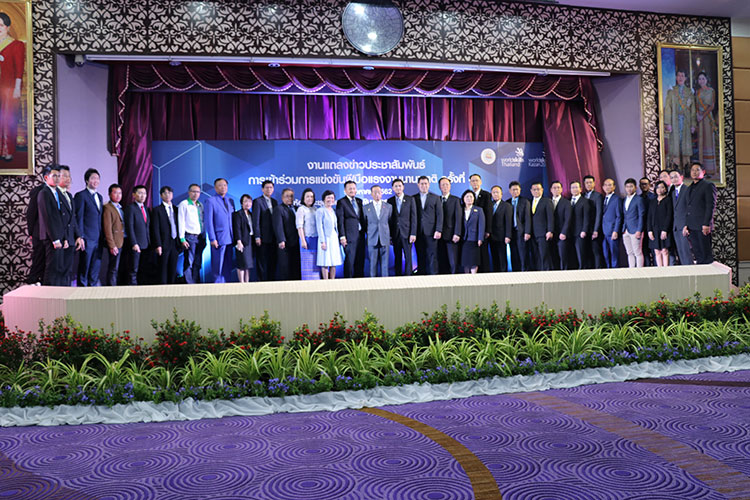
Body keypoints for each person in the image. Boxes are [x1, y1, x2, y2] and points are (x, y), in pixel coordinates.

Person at [0, 13, 25, 163]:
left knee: (7, 120)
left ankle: (7, 151)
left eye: (1, 25)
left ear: (8, 27)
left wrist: (17, 88)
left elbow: (19, 68)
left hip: (9, 88)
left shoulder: (16, 45)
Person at [73, 169, 104, 286]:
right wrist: (80, 236)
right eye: (93, 178)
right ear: (87, 180)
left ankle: (93, 289)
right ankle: (82, 290)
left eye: (97, 178)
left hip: (98, 238)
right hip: (87, 238)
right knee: (84, 266)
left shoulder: (100, 197)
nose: (96, 181)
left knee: (95, 267)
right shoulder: (81, 195)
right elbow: (79, 217)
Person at [36, 166, 65, 286]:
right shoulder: (44, 193)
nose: (57, 178)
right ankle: (47, 292)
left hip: (59, 236)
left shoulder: (57, 192)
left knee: (58, 268)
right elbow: (47, 217)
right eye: (54, 176)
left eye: (59, 176)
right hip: (51, 237)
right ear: (46, 177)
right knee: (51, 268)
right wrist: (55, 239)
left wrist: (64, 238)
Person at [683, 162, 717, 264]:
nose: (694, 172)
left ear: (703, 172)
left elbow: (710, 206)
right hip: (691, 226)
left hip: (702, 226)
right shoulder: (689, 187)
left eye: (697, 170)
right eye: (692, 170)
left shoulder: (708, 185)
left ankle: (708, 273)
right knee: (697, 254)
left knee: (705, 254)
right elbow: (688, 208)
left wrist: (706, 224)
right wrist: (686, 224)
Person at [664, 69, 696, 170]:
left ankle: (686, 166)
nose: (680, 77)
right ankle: (676, 165)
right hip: (675, 121)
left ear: (685, 78)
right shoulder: (671, 91)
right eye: (679, 75)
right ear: (676, 77)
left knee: (686, 143)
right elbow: (668, 107)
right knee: (675, 143)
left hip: (686, 121)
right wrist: (668, 123)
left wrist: (693, 124)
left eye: (682, 76)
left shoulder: (689, 92)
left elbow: (693, 110)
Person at [58, 165, 84, 285]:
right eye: (65, 176)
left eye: (69, 176)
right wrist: (63, 238)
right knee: (59, 272)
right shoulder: (54, 194)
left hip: (71, 239)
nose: (68, 178)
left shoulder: (69, 196)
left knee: (68, 271)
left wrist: (78, 236)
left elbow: (73, 219)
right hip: (60, 240)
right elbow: (57, 220)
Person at [204, 178, 234, 283]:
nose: (223, 187)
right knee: (218, 266)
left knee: (228, 266)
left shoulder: (230, 201)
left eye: (225, 185)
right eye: (220, 185)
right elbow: (209, 221)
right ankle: (217, 287)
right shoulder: (210, 201)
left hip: (230, 238)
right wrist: (212, 238)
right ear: (215, 188)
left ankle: (227, 286)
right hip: (218, 238)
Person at [151, 186, 181, 284]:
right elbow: (155, 229)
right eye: (165, 193)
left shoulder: (176, 209)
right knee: (163, 268)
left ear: (172, 195)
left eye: (169, 193)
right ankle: (162, 288)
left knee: (173, 267)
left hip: (175, 243)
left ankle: (172, 288)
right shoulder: (157, 210)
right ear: (161, 195)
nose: (167, 195)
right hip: (163, 243)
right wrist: (158, 245)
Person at [337, 181, 367, 278]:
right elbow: (340, 220)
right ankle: (347, 282)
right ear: (345, 190)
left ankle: (359, 282)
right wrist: (342, 236)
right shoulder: (341, 202)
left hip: (360, 236)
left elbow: (362, 218)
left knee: (360, 261)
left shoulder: (359, 201)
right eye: (350, 189)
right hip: (349, 237)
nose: (352, 190)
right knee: (350, 261)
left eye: (354, 188)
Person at [414, 176, 443, 275]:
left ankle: (433, 275)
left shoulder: (436, 198)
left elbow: (440, 215)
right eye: (422, 184)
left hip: (432, 231)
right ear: (418, 185)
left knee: (432, 255)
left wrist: (438, 230)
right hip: (418, 231)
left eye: (426, 183)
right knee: (420, 254)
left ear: (429, 185)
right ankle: (421, 275)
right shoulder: (413, 198)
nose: (424, 186)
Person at [178, 183, 206, 284]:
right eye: (193, 191)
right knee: (189, 262)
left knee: (197, 262)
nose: (195, 194)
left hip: (200, 237)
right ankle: (189, 284)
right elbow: (181, 221)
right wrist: (182, 238)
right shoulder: (184, 204)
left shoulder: (200, 205)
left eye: (198, 192)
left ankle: (196, 283)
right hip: (189, 236)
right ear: (189, 192)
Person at [388, 178, 417, 276]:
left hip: (407, 233)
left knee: (408, 257)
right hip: (395, 234)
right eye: (396, 186)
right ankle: (398, 277)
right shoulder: (390, 201)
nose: (398, 188)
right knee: (397, 257)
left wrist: (413, 233)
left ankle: (408, 276)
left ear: (403, 187)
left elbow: (414, 218)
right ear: (393, 188)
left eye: (400, 186)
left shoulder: (410, 199)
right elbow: (389, 220)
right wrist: (390, 236)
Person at [364, 184, 392, 278]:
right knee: (373, 265)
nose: (377, 194)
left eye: (379, 192)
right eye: (375, 192)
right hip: (372, 238)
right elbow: (364, 223)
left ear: (382, 193)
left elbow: (390, 221)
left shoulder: (388, 207)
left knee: (385, 265)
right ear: (371, 194)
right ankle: (373, 284)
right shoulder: (366, 208)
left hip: (384, 238)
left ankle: (385, 283)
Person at [124, 185, 150, 285]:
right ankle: (132, 289)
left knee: (144, 270)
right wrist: (134, 243)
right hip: (136, 245)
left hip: (146, 244)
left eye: (144, 193)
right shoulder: (130, 208)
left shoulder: (146, 209)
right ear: (134, 195)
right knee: (133, 270)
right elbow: (129, 227)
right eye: (140, 193)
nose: (142, 196)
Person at [252, 180, 278, 281]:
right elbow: (256, 221)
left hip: (273, 238)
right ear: (262, 189)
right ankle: (261, 283)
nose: (269, 189)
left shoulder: (275, 202)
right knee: (262, 262)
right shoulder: (257, 201)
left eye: (271, 187)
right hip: (262, 238)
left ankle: (271, 282)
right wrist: (257, 236)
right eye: (267, 187)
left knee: (272, 261)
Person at [273, 188, 300, 281]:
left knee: (295, 267)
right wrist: (281, 240)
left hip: (296, 242)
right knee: (285, 268)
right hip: (285, 244)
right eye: (287, 196)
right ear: (282, 197)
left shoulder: (296, 208)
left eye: (291, 196)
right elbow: (278, 226)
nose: (289, 198)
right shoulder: (278, 209)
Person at [437, 177, 462, 274]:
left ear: (450, 186)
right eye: (442, 184)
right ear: (439, 187)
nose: (445, 186)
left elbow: (458, 218)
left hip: (452, 235)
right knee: (441, 260)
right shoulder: (437, 199)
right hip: (439, 236)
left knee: (453, 261)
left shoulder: (456, 200)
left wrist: (457, 233)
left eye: (447, 184)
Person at [102, 184, 125, 286]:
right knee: (113, 268)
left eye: (120, 193)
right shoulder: (108, 208)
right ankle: (112, 288)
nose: (118, 195)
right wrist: (112, 245)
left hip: (122, 241)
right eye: (115, 193)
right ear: (109, 194)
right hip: (115, 243)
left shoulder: (120, 208)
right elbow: (107, 228)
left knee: (118, 267)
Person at [695, 72, 717, 176]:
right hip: (700, 119)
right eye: (699, 79)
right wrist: (697, 115)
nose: (701, 81)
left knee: (708, 141)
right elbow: (696, 105)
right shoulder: (697, 92)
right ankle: (702, 169)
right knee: (701, 141)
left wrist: (702, 116)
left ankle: (710, 170)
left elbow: (711, 106)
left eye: (703, 78)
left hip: (707, 118)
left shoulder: (711, 91)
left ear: (706, 80)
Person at [316, 190, 342, 279]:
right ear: (324, 199)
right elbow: (319, 227)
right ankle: (326, 281)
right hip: (325, 238)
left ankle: (332, 281)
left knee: (333, 261)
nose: (330, 200)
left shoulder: (333, 211)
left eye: (332, 198)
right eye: (328, 198)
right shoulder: (320, 211)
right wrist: (322, 241)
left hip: (333, 238)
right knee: (325, 261)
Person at [647, 180, 673, 267]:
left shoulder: (668, 200)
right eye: (658, 187)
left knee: (664, 251)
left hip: (664, 229)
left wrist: (665, 230)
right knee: (657, 251)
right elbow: (649, 217)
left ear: (665, 189)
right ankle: (660, 270)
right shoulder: (652, 201)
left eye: (662, 187)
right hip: (654, 229)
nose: (660, 189)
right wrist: (649, 230)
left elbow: (669, 216)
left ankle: (665, 270)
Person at [26, 181, 48, 284]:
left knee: (47, 266)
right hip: (39, 234)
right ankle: (31, 287)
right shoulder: (39, 191)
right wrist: (31, 234)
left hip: (52, 236)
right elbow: (31, 214)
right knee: (38, 262)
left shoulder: (57, 191)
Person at [469, 174, 492, 272]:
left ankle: (484, 274)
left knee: (483, 253)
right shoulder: (468, 195)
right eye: (473, 181)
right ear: (470, 183)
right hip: (471, 232)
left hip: (482, 230)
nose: (475, 183)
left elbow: (489, 213)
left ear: (481, 182)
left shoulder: (486, 195)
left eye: (477, 180)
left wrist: (487, 230)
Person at [669, 168, 692, 265]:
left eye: (676, 177)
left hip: (684, 226)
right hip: (676, 227)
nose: (673, 179)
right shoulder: (672, 192)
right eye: (671, 178)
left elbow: (690, 209)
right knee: (680, 252)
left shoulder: (687, 190)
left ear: (681, 177)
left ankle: (690, 272)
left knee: (687, 253)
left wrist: (687, 225)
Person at [529, 182, 554, 271]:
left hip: (543, 233)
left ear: (542, 190)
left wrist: (550, 231)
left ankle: (547, 272)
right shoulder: (529, 202)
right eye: (534, 189)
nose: (536, 191)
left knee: (544, 255)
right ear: (531, 191)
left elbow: (550, 217)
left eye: (538, 189)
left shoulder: (547, 201)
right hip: (532, 234)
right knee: (536, 255)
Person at [296, 188, 319, 281]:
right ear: (303, 198)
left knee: (315, 263)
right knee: (307, 264)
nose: (310, 198)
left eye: (312, 197)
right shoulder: (301, 209)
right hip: (306, 239)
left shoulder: (315, 209)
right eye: (308, 196)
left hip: (316, 239)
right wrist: (303, 240)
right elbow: (299, 226)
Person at [622, 178, 646, 268]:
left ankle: (639, 271)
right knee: (629, 252)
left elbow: (641, 216)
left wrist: (639, 230)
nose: (629, 188)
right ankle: (631, 270)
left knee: (637, 252)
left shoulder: (639, 199)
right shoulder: (625, 199)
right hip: (626, 230)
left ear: (635, 187)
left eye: (631, 186)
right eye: (627, 186)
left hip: (635, 229)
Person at [508, 181, 531, 272]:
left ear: (520, 190)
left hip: (522, 232)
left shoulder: (525, 201)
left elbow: (528, 217)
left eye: (517, 189)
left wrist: (527, 232)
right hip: (511, 232)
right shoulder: (507, 202)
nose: (515, 191)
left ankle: (524, 272)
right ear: (510, 191)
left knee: (523, 254)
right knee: (514, 254)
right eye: (513, 190)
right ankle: (515, 273)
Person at [460, 190, 485, 274]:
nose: (469, 198)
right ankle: (467, 277)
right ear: (463, 198)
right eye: (467, 196)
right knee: (465, 261)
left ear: (474, 199)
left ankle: (473, 277)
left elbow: (481, 225)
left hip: (474, 239)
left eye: (471, 197)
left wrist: (480, 238)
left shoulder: (479, 210)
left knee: (474, 260)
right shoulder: (460, 209)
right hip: (464, 239)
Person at [488, 185, 512, 273]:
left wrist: (508, 236)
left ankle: (503, 274)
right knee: (494, 257)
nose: (495, 194)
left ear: (501, 194)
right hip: (491, 236)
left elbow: (508, 222)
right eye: (493, 192)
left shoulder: (506, 205)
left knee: (502, 257)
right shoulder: (489, 205)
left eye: (497, 192)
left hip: (502, 236)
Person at [232, 194, 254, 283]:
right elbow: (236, 228)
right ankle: (241, 283)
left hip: (250, 241)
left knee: (248, 264)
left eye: (249, 201)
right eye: (245, 201)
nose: (248, 203)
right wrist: (239, 241)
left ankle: (247, 283)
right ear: (241, 203)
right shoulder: (238, 214)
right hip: (242, 242)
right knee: (241, 263)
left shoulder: (251, 214)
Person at [601, 178, 623, 269]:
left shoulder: (617, 199)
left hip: (612, 231)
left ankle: (615, 272)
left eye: (610, 185)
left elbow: (619, 216)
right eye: (605, 185)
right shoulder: (603, 199)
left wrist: (616, 231)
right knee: (606, 254)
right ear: (603, 187)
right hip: (603, 231)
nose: (607, 187)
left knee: (614, 254)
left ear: (614, 187)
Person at [549, 181, 571, 271]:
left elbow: (568, 219)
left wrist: (564, 232)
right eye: (554, 188)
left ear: (561, 189)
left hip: (562, 234)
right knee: (553, 256)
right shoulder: (548, 202)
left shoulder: (566, 202)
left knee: (563, 256)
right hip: (551, 234)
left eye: (558, 188)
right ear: (551, 190)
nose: (556, 189)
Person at [583, 175, 604, 269]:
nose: (588, 184)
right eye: (587, 183)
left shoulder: (598, 196)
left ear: (594, 183)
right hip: (585, 229)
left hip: (594, 229)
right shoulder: (583, 195)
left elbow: (599, 213)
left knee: (596, 251)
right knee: (587, 252)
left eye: (590, 182)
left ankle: (598, 270)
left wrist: (596, 230)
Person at [569, 181, 589, 270]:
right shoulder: (568, 201)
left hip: (580, 232)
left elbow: (586, 217)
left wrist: (584, 230)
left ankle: (582, 271)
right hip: (570, 232)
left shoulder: (585, 201)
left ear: (580, 189)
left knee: (581, 254)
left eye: (576, 187)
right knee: (572, 255)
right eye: (572, 187)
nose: (574, 189)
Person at [639, 177, 657, 266]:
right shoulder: (638, 198)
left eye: (645, 184)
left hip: (653, 227)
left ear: (649, 185)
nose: (644, 186)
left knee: (654, 250)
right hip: (642, 228)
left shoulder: (654, 197)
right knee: (644, 251)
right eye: (642, 184)